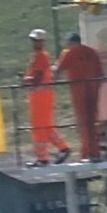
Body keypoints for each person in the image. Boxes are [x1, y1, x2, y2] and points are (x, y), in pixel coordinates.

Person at [54, 32, 105, 162]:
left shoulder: (69, 52)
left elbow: (58, 70)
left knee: (83, 122)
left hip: (78, 89)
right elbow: (101, 73)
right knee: (92, 121)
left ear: (71, 42)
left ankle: (88, 153)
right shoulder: (92, 52)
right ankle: (94, 152)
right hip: (93, 88)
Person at [22, 28, 70, 166]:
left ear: (42, 41)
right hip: (41, 94)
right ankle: (63, 148)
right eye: (33, 40)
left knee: (39, 127)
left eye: (36, 40)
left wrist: (26, 80)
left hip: (40, 95)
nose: (34, 43)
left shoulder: (40, 56)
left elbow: (37, 78)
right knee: (45, 125)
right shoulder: (39, 56)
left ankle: (42, 158)